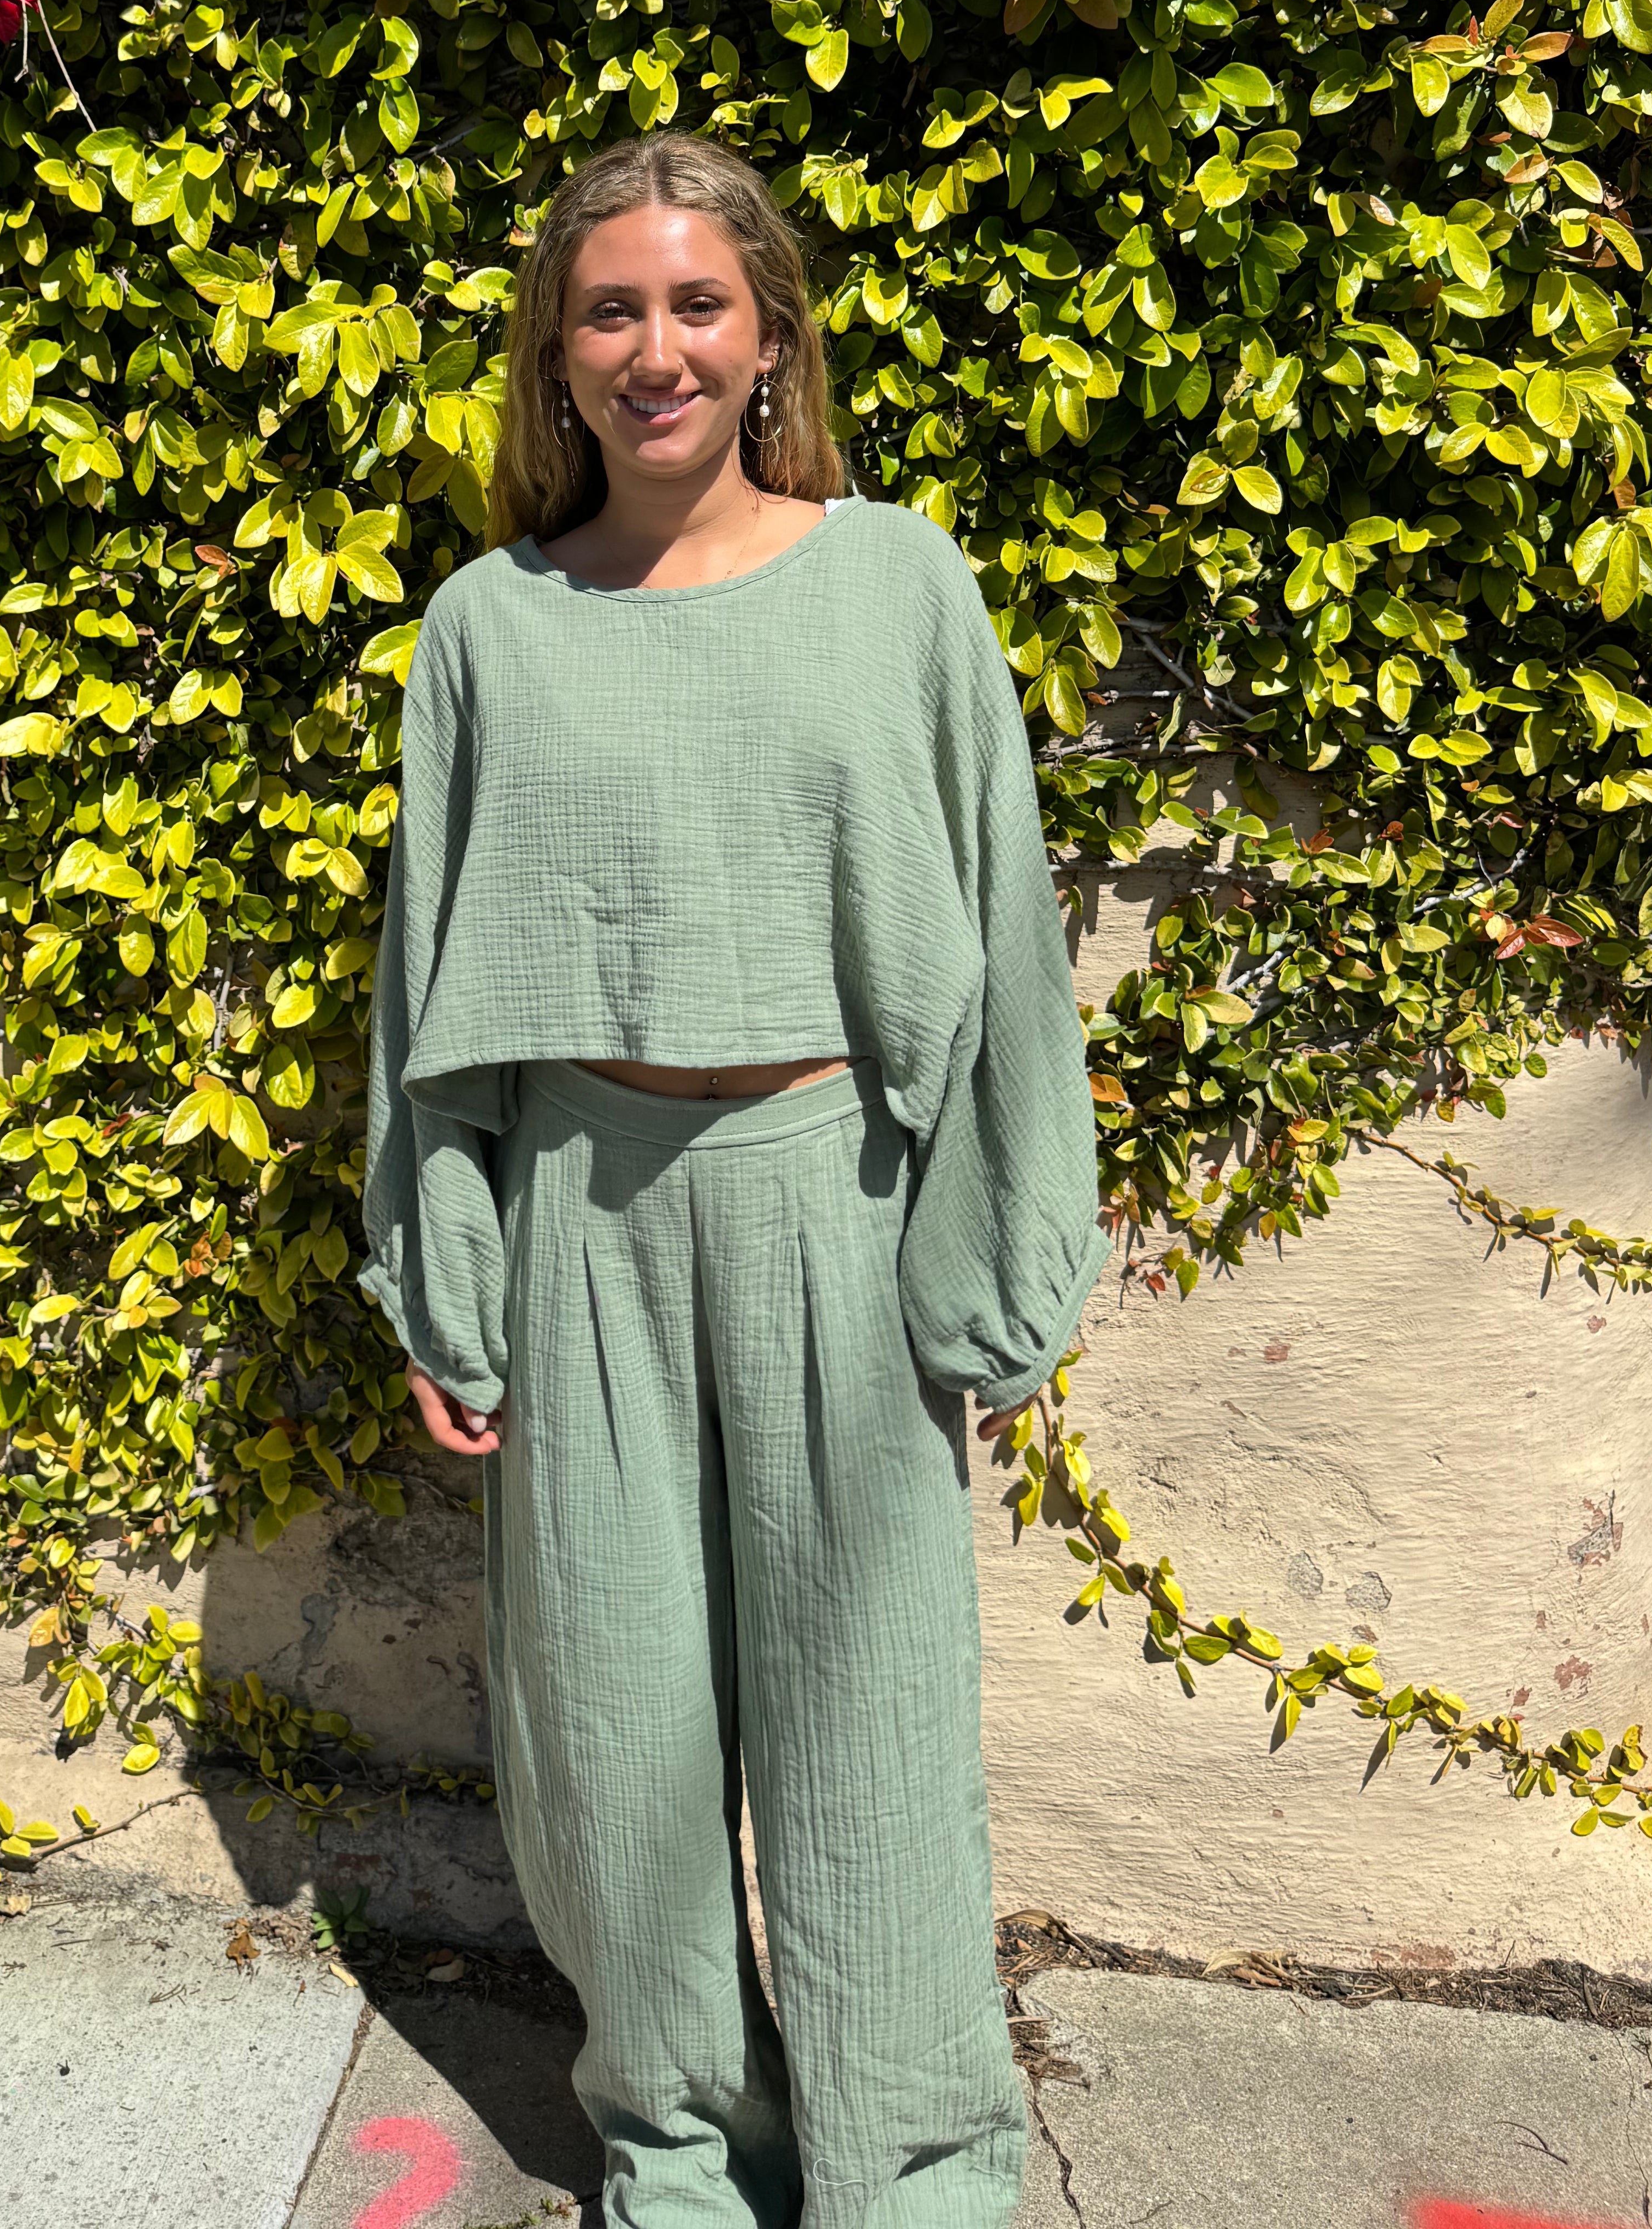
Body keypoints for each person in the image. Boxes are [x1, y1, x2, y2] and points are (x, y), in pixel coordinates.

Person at [358, 132, 1106, 2229]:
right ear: (558, 353)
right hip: (583, 1207)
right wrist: (452, 1270)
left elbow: (1000, 932)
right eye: (613, 309)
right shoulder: (487, 629)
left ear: (767, 330)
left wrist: (989, 1256)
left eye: (698, 302)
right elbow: (434, 985)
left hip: (831, 1202)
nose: (657, 347)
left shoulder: (897, 581)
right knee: (610, 1740)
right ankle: (677, 2150)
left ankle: (918, 2170)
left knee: (868, 1731)